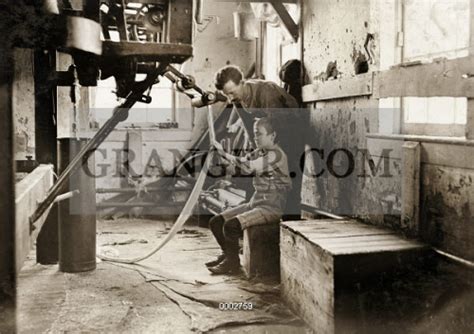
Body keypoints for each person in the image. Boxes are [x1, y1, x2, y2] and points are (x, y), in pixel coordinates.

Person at [214, 65, 305, 220]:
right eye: (226, 94)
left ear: (242, 82)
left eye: (231, 92)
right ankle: (257, 223)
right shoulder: (237, 98)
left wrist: (270, 157)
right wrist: (256, 153)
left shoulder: (266, 92)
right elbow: (250, 129)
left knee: (289, 180)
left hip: (292, 131)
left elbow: (278, 127)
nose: (230, 98)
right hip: (273, 134)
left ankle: (291, 227)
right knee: (259, 176)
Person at [206, 117, 292, 275]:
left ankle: (232, 264)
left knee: (230, 226)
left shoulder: (276, 156)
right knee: (216, 222)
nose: (255, 138)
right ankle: (228, 256)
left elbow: (247, 166)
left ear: (272, 136)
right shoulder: (260, 152)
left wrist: (222, 152)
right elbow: (241, 166)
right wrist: (220, 159)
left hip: (271, 207)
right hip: (256, 203)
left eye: (259, 134)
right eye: (254, 134)